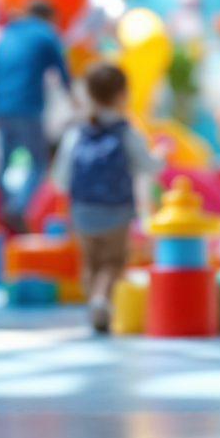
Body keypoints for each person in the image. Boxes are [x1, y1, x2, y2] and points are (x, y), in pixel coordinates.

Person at [51, 63, 163, 332]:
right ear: (121, 95)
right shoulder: (126, 131)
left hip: (82, 211)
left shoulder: (75, 133)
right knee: (113, 262)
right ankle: (103, 301)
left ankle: (95, 305)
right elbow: (149, 167)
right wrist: (161, 156)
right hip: (116, 211)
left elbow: (60, 179)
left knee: (90, 264)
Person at [0, 0, 72, 233]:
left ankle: (4, 210)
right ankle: (17, 207)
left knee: (3, 162)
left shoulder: (7, 34)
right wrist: (75, 100)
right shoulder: (45, 33)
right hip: (27, 107)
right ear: (48, 17)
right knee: (38, 163)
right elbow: (62, 71)